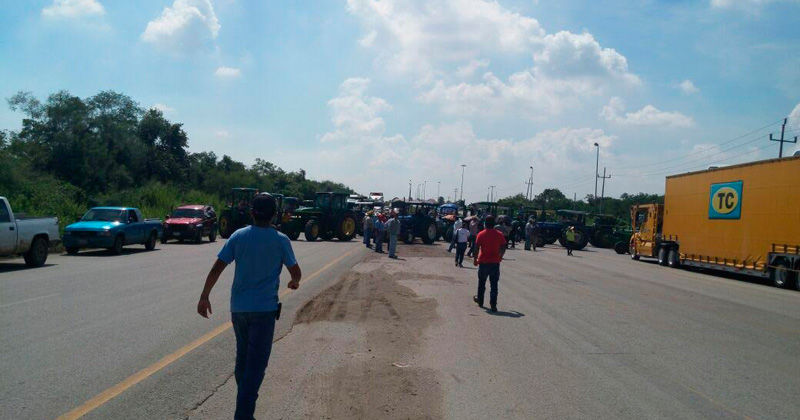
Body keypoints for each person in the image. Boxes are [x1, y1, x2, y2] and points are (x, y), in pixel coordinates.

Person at [196, 194, 302, 420]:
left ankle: (244, 409)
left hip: (240, 310)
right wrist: (294, 282)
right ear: (274, 215)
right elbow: (296, 272)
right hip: (264, 311)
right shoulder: (281, 240)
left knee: (243, 360)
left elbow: (217, 268)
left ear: (252, 212)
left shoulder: (238, 236)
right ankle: (243, 415)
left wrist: (205, 296)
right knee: (256, 366)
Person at [472, 215, 506, 313]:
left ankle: (480, 301)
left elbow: (476, 248)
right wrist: (500, 256)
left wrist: (475, 259)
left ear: (485, 224)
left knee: (482, 283)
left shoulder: (481, 234)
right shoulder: (499, 234)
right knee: (494, 285)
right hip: (495, 263)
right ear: (494, 224)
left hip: (483, 262)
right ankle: (493, 305)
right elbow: (503, 247)